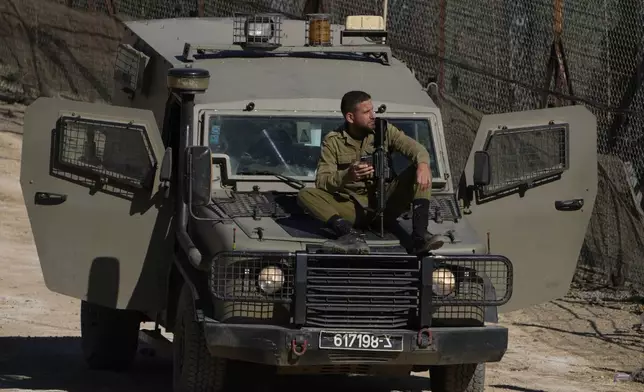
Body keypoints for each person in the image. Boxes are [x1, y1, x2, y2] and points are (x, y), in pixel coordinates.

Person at [297, 90, 447, 254]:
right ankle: (349, 235)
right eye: (367, 112)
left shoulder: (384, 131)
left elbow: (416, 148)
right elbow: (322, 181)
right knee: (305, 194)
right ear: (350, 117)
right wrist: (347, 176)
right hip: (353, 208)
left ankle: (420, 236)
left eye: (373, 110)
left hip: (387, 202)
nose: (373, 115)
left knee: (421, 169)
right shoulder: (333, 141)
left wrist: (423, 163)